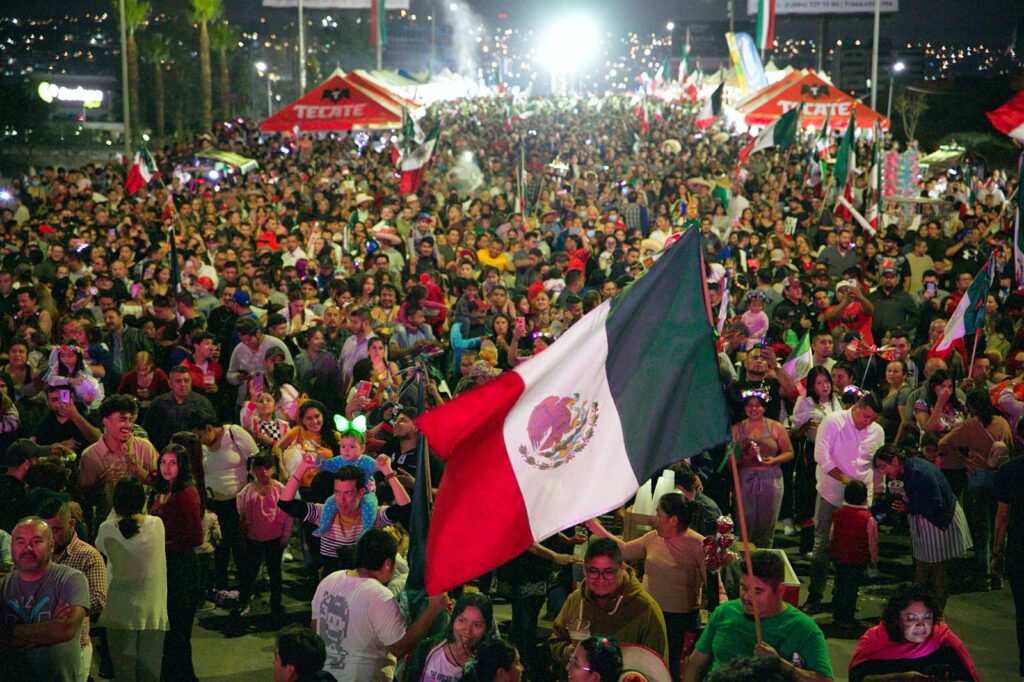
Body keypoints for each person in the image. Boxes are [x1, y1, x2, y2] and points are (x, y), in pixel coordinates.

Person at [585, 493, 705, 681]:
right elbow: (623, 551)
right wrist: (593, 524)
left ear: (673, 520)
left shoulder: (698, 544)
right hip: (645, 613)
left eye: (658, 514)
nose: (654, 520)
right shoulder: (652, 538)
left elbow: (715, 584)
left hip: (679, 621)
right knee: (639, 667)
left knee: (670, 669)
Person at [311, 528, 448, 681]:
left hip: (325, 676)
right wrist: (433, 609)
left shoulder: (329, 580)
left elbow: (315, 628)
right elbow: (399, 647)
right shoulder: (378, 595)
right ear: (388, 563)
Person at [684, 550, 833, 682]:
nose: (747, 597)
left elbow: (824, 679)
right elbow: (695, 664)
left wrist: (779, 664)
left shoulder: (804, 629)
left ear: (780, 590)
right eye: (744, 587)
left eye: (757, 591)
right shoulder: (724, 612)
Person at [804, 393, 884, 614]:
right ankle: (815, 593)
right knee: (822, 545)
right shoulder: (834, 421)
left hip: (861, 500)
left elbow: (877, 465)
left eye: (872, 419)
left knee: (855, 550)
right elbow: (821, 455)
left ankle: (846, 597)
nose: (868, 422)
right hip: (832, 492)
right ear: (858, 407)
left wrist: (878, 491)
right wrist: (846, 481)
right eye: (865, 416)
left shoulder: (877, 432)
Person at [873, 445, 973, 615]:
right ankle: (916, 609)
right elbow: (891, 500)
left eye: (884, 466)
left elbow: (936, 504)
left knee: (936, 568)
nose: (883, 472)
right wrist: (873, 513)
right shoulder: (901, 473)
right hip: (922, 519)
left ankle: (937, 614)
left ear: (896, 460)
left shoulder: (921, 472)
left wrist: (908, 507)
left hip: (938, 520)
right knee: (920, 565)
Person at [548, 538, 668, 668]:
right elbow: (556, 639)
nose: (601, 579)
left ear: (622, 568)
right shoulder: (575, 600)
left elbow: (656, 667)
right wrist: (569, 653)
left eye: (609, 572)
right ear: (584, 570)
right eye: (593, 571)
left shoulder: (646, 609)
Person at [95, 477, 169, 682]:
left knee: (123, 670)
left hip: (119, 607)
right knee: (150, 671)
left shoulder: (106, 529)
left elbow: (102, 547)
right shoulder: (157, 525)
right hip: (151, 608)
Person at [0, 516, 89, 681]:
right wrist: (47, 630)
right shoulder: (3, 586)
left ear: (51, 546)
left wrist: (10, 634)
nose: (27, 548)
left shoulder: (70, 579)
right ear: (11, 547)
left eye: (36, 541)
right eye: (20, 541)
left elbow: (64, 629)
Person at [939, 388, 1011, 590]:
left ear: (971, 407)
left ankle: (983, 575)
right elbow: (1010, 449)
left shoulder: (970, 426)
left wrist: (965, 460)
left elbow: (943, 443)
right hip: (999, 478)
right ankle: (998, 572)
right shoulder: (1003, 423)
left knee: (981, 529)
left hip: (978, 479)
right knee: (999, 527)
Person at [149, 442, 204, 682]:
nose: (167, 468)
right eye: (163, 462)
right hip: (165, 567)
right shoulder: (161, 490)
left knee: (179, 633)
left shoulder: (187, 494)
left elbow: (195, 537)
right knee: (170, 633)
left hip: (182, 569)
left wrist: (163, 544)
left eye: (173, 463)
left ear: (182, 466)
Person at [848, 583, 980, 682]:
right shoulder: (875, 641)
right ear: (896, 619)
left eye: (927, 617)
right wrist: (900, 678)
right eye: (911, 618)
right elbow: (858, 678)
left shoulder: (944, 641)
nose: (921, 625)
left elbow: (967, 677)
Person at [38, 497, 107, 682]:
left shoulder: (88, 556)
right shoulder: (37, 552)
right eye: (45, 530)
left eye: (56, 530)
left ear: (72, 524)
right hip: (39, 645)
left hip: (75, 646)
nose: (50, 537)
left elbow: (98, 600)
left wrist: (67, 607)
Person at [731, 388, 794, 549]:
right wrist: (745, 455)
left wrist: (774, 460)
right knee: (744, 520)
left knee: (768, 520)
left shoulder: (776, 427)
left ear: (764, 408)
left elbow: (789, 452)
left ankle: (764, 556)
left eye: (758, 405)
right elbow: (731, 459)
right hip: (746, 478)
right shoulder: (737, 429)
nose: (753, 409)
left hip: (770, 478)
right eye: (750, 405)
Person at [234, 452, 293, 621]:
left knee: (275, 573)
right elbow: (243, 517)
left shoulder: (280, 490)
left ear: (273, 469)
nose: (264, 472)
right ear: (253, 470)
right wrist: (244, 537)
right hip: (254, 538)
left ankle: (276, 604)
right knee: (250, 572)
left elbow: (287, 516)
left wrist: (286, 536)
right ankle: (244, 602)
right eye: (259, 468)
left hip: (274, 538)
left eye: (267, 468)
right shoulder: (248, 491)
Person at [827, 481, 878, 628]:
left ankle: (837, 615)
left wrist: (832, 550)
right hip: (857, 559)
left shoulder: (837, 514)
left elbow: (832, 534)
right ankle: (847, 617)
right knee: (852, 588)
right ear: (865, 498)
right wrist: (873, 560)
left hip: (839, 556)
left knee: (839, 584)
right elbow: (872, 543)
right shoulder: (869, 519)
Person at [420, 592, 496, 681]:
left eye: (477, 625)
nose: (467, 631)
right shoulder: (430, 649)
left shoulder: (491, 661)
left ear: (487, 629)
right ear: (453, 620)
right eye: (462, 621)